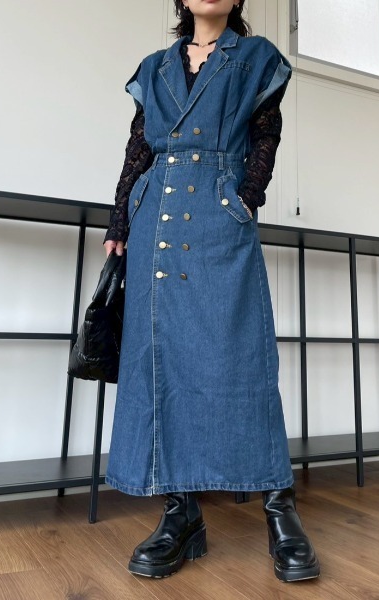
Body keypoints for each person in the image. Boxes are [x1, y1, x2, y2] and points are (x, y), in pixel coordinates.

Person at [103, 0, 320, 583]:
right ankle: (181, 514)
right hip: (155, 220)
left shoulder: (255, 57)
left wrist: (244, 197)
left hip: (217, 217)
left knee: (239, 358)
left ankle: (280, 509)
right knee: (161, 362)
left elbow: (266, 133)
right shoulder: (154, 66)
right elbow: (138, 146)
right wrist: (120, 217)